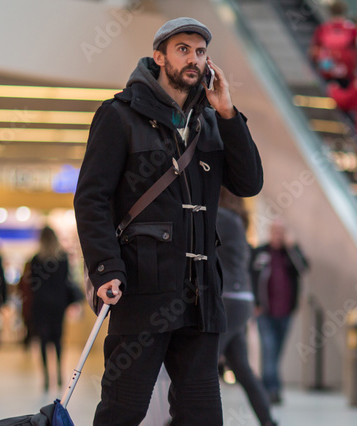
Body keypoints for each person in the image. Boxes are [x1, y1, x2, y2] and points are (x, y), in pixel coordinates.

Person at [74, 17, 263, 425]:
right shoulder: (118, 115)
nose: (193, 59)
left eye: (200, 52)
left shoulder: (211, 122)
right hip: (142, 291)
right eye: (183, 49)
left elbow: (248, 183)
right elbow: (92, 199)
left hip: (202, 297)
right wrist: (105, 267)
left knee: (203, 416)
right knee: (123, 411)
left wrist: (229, 113)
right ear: (159, 56)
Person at [216, 189, 276, 426]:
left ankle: (182, 419)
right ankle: (269, 421)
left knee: (202, 367)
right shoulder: (236, 220)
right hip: (241, 300)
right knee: (242, 369)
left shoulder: (220, 217)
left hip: (228, 299)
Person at [251, 221, 308, 404]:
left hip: (285, 313)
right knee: (269, 350)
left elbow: (303, 268)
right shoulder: (260, 252)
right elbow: (250, 276)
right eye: (275, 231)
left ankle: (268, 388)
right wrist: (255, 303)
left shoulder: (290, 253)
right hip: (264, 313)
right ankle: (272, 391)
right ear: (270, 233)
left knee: (276, 353)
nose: (278, 235)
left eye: (281, 232)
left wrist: (292, 247)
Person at [27, 226, 81, 391]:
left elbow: (32, 285)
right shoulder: (62, 258)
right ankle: (58, 374)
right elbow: (66, 281)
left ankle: (45, 377)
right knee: (57, 339)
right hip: (58, 304)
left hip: (41, 305)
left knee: (43, 340)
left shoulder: (36, 259)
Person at [309, 1, 357, 87]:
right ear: (344, 11)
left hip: (327, 69)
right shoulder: (352, 28)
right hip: (347, 71)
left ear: (330, 12)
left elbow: (314, 50)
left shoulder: (323, 28)